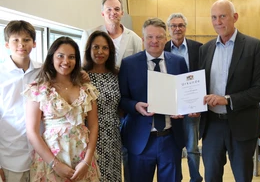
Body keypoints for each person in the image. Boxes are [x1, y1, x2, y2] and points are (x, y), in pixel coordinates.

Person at [199, 0, 260, 182]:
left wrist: (227, 99)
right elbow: (199, 87)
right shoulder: (205, 49)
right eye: (214, 17)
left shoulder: (254, 46)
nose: (218, 22)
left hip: (242, 124)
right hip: (212, 125)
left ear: (235, 17)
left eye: (223, 16)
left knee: (243, 177)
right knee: (211, 176)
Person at [119, 18, 188, 182]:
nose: (154, 41)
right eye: (150, 37)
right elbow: (121, 99)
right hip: (140, 140)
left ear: (166, 38)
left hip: (171, 138)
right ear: (143, 39)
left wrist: (183, 110)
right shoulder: (129, 64)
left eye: (159, 37)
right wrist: (135, 106)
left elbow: (185, 95)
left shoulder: (178, 62)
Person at [23, 37, 100, 182]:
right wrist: (55, 164)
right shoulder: (39, 89)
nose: (66, 61)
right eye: (60, 56)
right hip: (50, 158)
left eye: (71, 57)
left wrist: (87, 160)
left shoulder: (87, 89)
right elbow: (32, 132)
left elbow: (94, 125)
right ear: (52, 57)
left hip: (82, 160)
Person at [164, 13, 203, 182]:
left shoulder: (199, 48)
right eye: (173, 26)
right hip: (169, 107)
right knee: (173, 147)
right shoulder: (162, 48)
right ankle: (176, 178)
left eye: (180, 25)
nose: (177, 29)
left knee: (192, 147)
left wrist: (198, 106)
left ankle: (195, 178)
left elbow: (203, 77)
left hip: (191, 107)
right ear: (168, 29)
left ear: (185, 28)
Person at [0, 20, 39, 182]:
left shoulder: (44, 71)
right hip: (9, 157)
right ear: (7, 44)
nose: (21, 44)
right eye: (15, 40)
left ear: (34, 43)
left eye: (26, 39)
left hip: (41, 156)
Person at [82, 30, 122, 181]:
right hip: (88, 137)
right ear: (89, 49)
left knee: (112, 176)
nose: (100, 52)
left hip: (113, 137)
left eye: (105, 48)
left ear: (110, 51)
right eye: (96, 47)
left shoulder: (116, 75)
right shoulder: (81, 75)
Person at [80, 0, 142, 67]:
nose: (113, 12)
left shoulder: (135, 39)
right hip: (96, 77)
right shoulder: (89, 35)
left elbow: (138, 66)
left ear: (122, 13)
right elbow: (83, 65)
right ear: (102, 13)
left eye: (117, 9)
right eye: (109, 9)